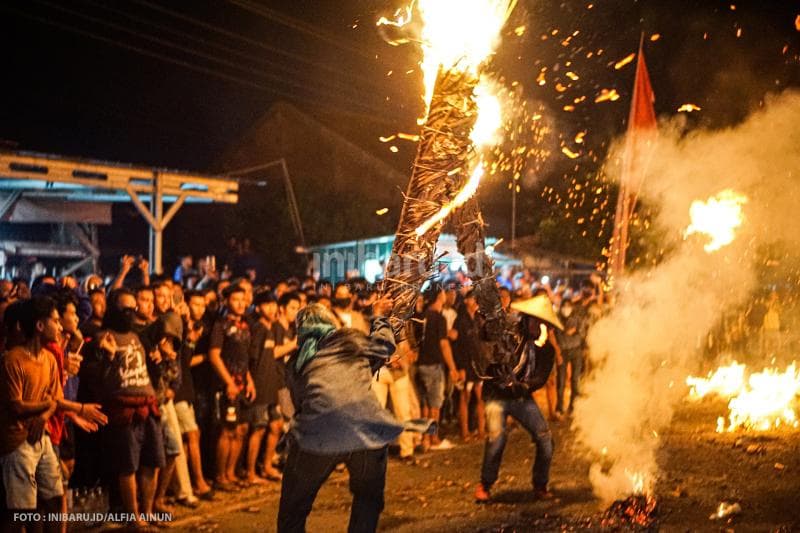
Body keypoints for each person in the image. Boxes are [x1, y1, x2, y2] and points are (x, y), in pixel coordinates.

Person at [277, 299, 402, 533]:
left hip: (317, 435)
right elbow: (383, 346)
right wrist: (379, 317)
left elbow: (301, 401)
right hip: (365, 432)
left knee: (292, 509)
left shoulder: (296, 363)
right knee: (368, 500)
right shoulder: (351, 341)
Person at [0, 297, 107, 533]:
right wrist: (58, 406)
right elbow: (16, 406)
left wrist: (43, 416)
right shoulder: (13, 360)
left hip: (42, 436)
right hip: (17, 441)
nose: (60, 327)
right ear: (39, 325)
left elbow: (55, 398)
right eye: (55, 321)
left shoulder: (48, 358)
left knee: (55, 497)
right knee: (21, 511)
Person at [474, 294, 562, 503]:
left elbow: (540, 377)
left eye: (543, 323)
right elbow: (485, 337)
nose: (540, 327)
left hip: (521, 397)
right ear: (527, 319)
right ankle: (485, 484)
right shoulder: (507, 334)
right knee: (497, 439)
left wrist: (525, 386)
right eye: (537, 322)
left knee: (545, 439)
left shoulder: (545, 349)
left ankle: (540, 484)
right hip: (496, 395)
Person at [96, 289, 165, 528]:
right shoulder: (104, 337)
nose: (130, 314)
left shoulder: (136, 337)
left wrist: (157, 360)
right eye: (125, 309)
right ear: (114, 309)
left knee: (153, 462)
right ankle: (133, 516)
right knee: (128, 466)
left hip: (148, 406)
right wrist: (106, 356)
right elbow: (100, 378)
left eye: (133, 309)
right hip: (124, 411)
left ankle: (148, 511)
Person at [208, 285, 255, 491]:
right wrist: (229, 382)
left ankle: (231, 473)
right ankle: (220, 477)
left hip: (243, 384)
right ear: (226, 301)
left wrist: (249, 380)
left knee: (241, 430)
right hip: (227, 386)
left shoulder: (245, 325)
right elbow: (214, 356)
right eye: (236, 299)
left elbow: (243, 358)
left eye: (243, 299)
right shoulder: (221, 325)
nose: (240, 303)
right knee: (227, 431)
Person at [243, 291, 283, 483]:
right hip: (259, 386)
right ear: (258, 308)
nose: (272, 308)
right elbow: (249, 360)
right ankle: (251, 472)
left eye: (274, 304)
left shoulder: (271, 328)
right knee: (258, 428)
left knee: (276, 425)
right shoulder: (258, 329)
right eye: (267, 304)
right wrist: (250, 381)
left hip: (271, 386)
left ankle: (266, 466)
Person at [416, 287, 459, 451]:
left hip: (421, 364)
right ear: (438, 297)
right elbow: (444, 344)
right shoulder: (439, 318)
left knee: (425, 404)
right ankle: (433, 439)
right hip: (434, 364)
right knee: (435, 405)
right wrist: (452, 367)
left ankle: (424, 439)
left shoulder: (422, 316)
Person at [452, 290, 485, 441]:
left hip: (478, 364)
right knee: (465, 396)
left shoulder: (478, 319)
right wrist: (460, 367)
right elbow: (456, 346)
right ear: (466, 301)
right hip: (465, 364)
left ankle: (481, 430)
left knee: (480, 397)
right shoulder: (460, 320)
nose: (475, 302)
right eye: (473, 299)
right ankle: (464, 432)